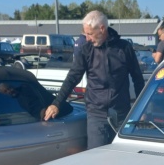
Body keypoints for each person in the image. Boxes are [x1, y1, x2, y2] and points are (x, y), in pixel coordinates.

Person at [43, 11, 144, 148]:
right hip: (96, 115)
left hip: (121, 113)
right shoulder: (86, 50)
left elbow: (138, 79)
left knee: (122, 157)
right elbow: (73, 77)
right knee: (97, 159)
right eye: (85, 34)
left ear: (102, 29)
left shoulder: (124, 48)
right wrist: (56, 103)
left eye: (89, 34)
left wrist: (142, 109)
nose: (87, 38)